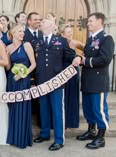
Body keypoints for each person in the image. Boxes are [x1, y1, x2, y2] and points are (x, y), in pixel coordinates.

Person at [33, 19, 81, 151]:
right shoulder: (36, 42)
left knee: (57, 111)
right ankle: (45, 134)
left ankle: (59, 140)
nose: (40, 24)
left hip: (56, 82)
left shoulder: (61, 41)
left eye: (43, 22)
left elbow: (71, 56)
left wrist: (78, 58)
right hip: (41, 81)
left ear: (51, 26)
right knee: (43, 109)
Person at [76, 12, 115, 149]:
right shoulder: (90, 39)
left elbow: (105, 59)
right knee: (88, 108)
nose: (88, 23)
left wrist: (85, 61)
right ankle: (92, 131)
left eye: (91, 21)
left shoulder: (107, 38)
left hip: (98, 81)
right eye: (88, 21)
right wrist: (80, 59)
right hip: (87, 80)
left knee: (99, 110)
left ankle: (101, 137)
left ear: (100, 22)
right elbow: (86, 56)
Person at [6, 23, 36, 149]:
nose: (22, 33)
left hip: (23, 81)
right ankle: (13, 137)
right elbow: (7, 66)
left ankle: (22, 138)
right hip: (12, 80)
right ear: (13, 33)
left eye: (23, 31)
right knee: (13, 107)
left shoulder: (27, 45)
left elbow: (33, 64)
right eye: (19, 31)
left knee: (22, 107)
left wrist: (23, 74)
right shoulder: (8, 47)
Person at [58, 24, 85, 129]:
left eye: (71, 31)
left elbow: (88, 49)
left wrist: (80, 56)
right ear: (62, 34)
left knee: (72, 96)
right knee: (62, 97)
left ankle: (72, 121)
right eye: (68, 32)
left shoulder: (74, 43)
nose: (70, 33)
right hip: (61, 73)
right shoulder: (58, 42)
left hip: (73, 73)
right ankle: (62, 121)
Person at [23, 12, 43, 128]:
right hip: (28, 70)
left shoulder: (42, 34)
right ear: (29, 21)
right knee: (28, 100)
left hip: (41, 72)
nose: (38, 21)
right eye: (35, 19)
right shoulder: (23, 34)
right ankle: (27, 126)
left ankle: (40, 125)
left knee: (40, 99)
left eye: (39, 19)